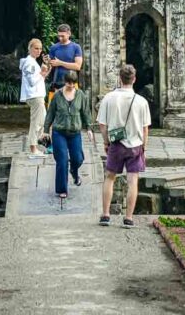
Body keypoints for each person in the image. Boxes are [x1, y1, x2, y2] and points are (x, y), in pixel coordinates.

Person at [97, 64, 151, 227]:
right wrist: (144, 148)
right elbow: (145, 128)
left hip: (116, 144)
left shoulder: (109, 98)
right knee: (133, 181)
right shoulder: (141, 101)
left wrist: (106, 141)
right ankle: (128, 218)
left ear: (119, 79)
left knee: (110, 177)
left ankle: (106, 215)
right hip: (135, 145)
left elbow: (102, 124)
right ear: (134, 79)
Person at [43, 70, 93, 199]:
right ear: (65, 81)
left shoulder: (81, 95)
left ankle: (74, 172)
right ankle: (61, 189)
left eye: (73, 83)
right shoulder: (58, 95)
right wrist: (45, 130)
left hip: (75, 132)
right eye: (68, 83)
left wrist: (88, 128)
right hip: (59, 132)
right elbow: (50, 113)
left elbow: (86, 113)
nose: (71, 85)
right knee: (62, 160)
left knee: (78, 158)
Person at [19, 38, 51, 157]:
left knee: (42, 121)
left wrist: (46, 68)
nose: (39, 51)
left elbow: (40, 78)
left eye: (40, 48)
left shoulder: (33, 62)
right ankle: (33, 148)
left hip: (38, 95)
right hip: (35, 96)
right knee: (36, 122)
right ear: (30, 49)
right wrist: (42, 72)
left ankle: (42, 144)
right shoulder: (29, 62)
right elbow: (32, 81)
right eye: (36, 48)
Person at [46, 23, 83, 99]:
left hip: (72, 83)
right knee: (56, 109)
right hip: (57, 84)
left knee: (72, 109)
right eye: (59, 36)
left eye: (62, 36)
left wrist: (60, 63)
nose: (60, 38)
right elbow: (50, 66)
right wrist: (46, 62)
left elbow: (78, 66)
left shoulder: (76, 47)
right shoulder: (54, 47)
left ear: (69, 34)